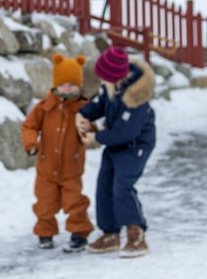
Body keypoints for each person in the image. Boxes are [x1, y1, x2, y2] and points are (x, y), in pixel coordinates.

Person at [75, 46, 155, 258]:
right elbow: (101, 105)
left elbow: (125, 132)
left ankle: (136, 233)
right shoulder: (111, 86)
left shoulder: (137, 97)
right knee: (104, 185)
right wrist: (82, 114)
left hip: (135, 145)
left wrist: (96, 137)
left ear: (116, 76)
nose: (101, 81)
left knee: (123, 186)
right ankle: (110, 233)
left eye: (104, 77)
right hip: (116, 142)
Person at [21, 53, 94, 253]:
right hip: (46, 167)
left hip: (72, 167)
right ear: (55, 85)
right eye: (64, 84)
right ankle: (45, 233)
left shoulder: (83, 108)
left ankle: (79, 234)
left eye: (73, 85)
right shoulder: (44, 107)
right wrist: (31, 144)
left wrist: (89, 129)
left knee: (75, 202)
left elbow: (92, 128)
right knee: (45, 202)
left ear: (79, 86)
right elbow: (29, 126)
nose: (68, 88)